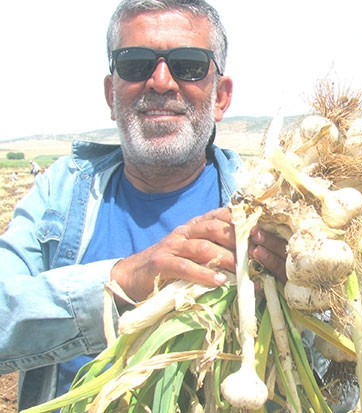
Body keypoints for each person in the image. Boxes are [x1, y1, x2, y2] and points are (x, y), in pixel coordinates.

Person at [0, 0, 287, 410]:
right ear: (110, 94)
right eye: (135, 63)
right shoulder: (60, 193)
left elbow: (335, 388)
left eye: (188, 64)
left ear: (221, 97)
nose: (161, 81)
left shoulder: (269, 208)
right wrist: (122, 280)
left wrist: (299, 296)